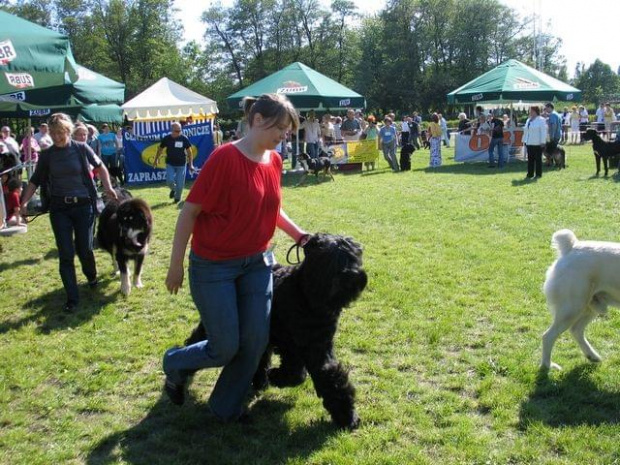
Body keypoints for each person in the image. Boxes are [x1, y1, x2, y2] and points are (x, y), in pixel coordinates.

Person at [161, 93, 308, 422]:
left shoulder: (274, 161)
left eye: (288, 129)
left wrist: (300, 236)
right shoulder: (224, 158)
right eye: (281, 127)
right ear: (257, 120)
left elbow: (270, 208)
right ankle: (175, 362)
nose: (285, 134)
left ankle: (225, 407)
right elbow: (189, 212)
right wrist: (175, 267)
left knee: (255, 341)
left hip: (257, 264)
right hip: (214, 268)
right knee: (224, 346)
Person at [20, 113, 117, 312]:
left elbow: (101, 167)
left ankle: (91, 276)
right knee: (65, 253)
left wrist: (108, 187)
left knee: (85, 249)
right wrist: (24, 202)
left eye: (60, 133)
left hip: (83, 206)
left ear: (68, 131)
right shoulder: (47, 155)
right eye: (53, 133)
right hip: (59, 208)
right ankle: (72, 298)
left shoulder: (81, 148)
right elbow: (35, 180)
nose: (56, 137)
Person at [154, 122, 195, 203]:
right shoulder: (167, 138)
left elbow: (190, 152)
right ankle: (173, 189)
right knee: (169, 181)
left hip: (181, 164)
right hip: (170, 164)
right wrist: (156, 159)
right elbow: (160, 149)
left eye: (180, 130)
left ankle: (177, 198)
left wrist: (191, 165)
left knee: (180, 185)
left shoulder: (184, 138)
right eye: (177, 131)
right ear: (171, 130)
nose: (179, 132)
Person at [523, 105, 547, 179]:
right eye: (530, 110)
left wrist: (543, 141)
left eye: (531, 110)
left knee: (538, 159)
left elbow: (543, 131)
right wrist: (524, 140)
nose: (530, 112)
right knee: (530, 159)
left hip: (538, 143)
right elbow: (526, 131)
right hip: (529, 142)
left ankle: (538, 174)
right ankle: (530, 174)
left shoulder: (541, 120)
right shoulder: (528, 120)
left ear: (535, 111)